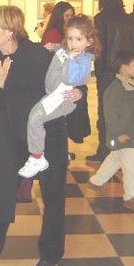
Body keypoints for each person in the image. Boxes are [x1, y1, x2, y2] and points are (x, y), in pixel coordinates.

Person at [0, 5, 82, 266]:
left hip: (47, 135)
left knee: (53, 194)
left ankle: (51, 252)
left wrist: (77, 92)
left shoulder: (37, 55)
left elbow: (68, 83)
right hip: (7, 134)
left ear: (10, 31)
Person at [19, 15, 95, 178]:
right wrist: (54, 46)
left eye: (79, 39)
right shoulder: (68, 52)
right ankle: (38, 156)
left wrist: (71, 60)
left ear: (89, 41)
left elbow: (70, 79)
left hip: (62, 97)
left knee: (35, 119)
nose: (73, 43)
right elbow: (61, 52)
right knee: (34, 118)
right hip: (53, 94)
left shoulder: (82, 61)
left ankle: (37, 157)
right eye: (70, 38)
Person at [88, 50, 134, 213]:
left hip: (130, 133)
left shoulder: (130, 85)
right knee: (130, 165)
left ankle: (96, 181)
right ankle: (131, 197)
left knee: (116, 157)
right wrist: (118, 133)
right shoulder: (115, 89)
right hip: (124, 135)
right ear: (123, 67)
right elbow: (110, 114)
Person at [86, 0, 134, 163]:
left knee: (105, 112)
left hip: (108, 72)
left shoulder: (101, 18)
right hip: (125, 72)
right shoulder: (129, 20)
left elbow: (100, 47)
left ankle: (105, 149)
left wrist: (98, 70)